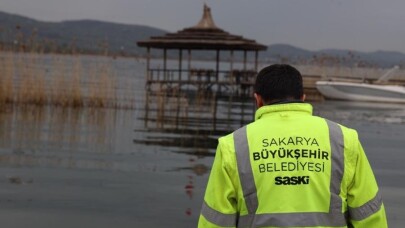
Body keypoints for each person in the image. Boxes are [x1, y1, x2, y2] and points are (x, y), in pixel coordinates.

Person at [198, 64, 387, 228]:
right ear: (303, 98)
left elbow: (215, 222)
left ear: (258, 100)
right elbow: (370, 218)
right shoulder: (345, 140)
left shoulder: (233, 146)